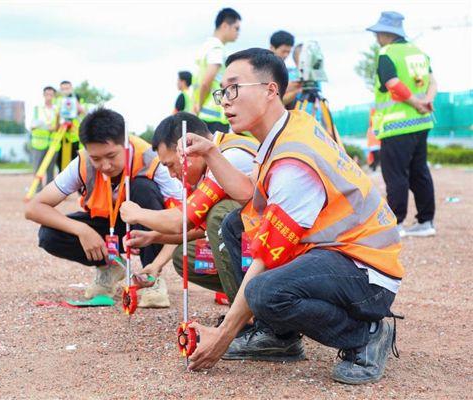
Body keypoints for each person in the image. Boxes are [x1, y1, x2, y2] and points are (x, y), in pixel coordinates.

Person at [182, 48, 404, 386]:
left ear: (271, 90)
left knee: (263, 292)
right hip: (338, 253)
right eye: (222, 92)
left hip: (366, 272)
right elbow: (249, 195)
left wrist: (224, 334)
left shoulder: (293, 162)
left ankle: (365, 334)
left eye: (234, 88)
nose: (225, 100)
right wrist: (212, 151)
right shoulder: (289, 127)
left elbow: (267, 258)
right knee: (234, 224)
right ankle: (277, 335)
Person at [24, 108, 183, 307]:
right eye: (96, 159)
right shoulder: (82, 163)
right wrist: (82, 230)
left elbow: (183, 218)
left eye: (111, 156)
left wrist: (157, 264)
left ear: (125, 144)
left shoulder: (152, 159)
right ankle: (109, 266)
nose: (105, 166)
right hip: (104, 226)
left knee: (142, 188)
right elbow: (34, 208)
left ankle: (151, 280)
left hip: (144, 227)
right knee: (49, 234)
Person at [119, 112, 258, 304]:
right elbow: (197, 228)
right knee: (187, 256)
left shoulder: (229, 156)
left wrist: (137, 214)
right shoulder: (210, 162)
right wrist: (155, 238)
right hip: (263, 241)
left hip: (284, 249)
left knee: (220, 214)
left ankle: (249, 317)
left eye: (171, 165)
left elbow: (182, 221)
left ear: (188, 147)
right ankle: (250, 303)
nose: (172, 174)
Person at [367, 11, 437, 237]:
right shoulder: (419, 52)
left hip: (397, 125)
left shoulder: (386, 53)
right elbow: (433, 81)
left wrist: (415, 102)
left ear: (386, 33)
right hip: (422, 122)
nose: (377, 38)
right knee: (420, 171)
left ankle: (396, 224)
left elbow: (392, 82)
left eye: (378, 33)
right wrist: (426, 101)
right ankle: (426, 222)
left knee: (395, 174)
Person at [193, 7, 241, 134]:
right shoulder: (217, 49)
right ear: (225, 25)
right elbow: (206, 81)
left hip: (203, 113)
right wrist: (200, 104)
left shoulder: (206, 46)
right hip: (214, 115)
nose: (238, 33)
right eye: (236, 28)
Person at [30, 86, 59, 190]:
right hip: (38, 144)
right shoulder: (37, 109)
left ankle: (49, 191)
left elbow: (59, 125)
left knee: (51, 170)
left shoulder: (57, 110)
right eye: (47, 94)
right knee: (37, 168)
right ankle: (38, 190)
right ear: (43, 95)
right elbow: (31, 126)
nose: (49, 97)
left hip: (53, 144)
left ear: (54, 96)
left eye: (51, 95)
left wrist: (54, 127)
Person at [55, 80, 86, 171]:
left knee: (76, 164)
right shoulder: (57, 101)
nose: (65, 91)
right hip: (61, 135)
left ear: (71, 88)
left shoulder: (78, 99)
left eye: (67, 88)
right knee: (60, 165)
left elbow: (83, 112)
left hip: (75, 136)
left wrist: (74, 101)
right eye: (63, 89)